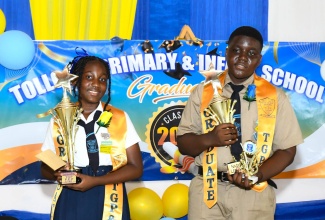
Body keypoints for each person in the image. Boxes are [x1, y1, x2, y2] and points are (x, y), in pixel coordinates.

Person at [176, 26, 303, 220]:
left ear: (259, 60)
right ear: (227, 52)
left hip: (254, 195)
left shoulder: (275, 97)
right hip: (207, 191)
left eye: (251, 53)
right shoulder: (203, 92)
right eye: (237, 50)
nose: (243, 57)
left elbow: (287, 151)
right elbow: (184, 144)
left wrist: (256, 176)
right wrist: (210, 138)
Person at [41, 52, 143, 220]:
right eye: (89, 77)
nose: (96, 84)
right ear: (76, 81)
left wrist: (95, 181)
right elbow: (45, 165)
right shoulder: (59, 120)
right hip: (71, 193)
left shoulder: (119, 118)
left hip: (109, 192)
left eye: (102, 79)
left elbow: (136, 168)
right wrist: (57, 173)